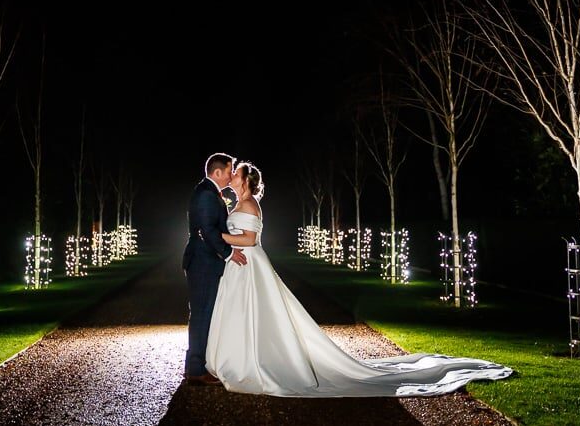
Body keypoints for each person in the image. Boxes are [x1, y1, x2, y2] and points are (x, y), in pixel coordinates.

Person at [205, 161, 514, 397]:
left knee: (256, 314)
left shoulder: (248, 205)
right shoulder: (237, 203)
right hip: (240, 265)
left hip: (250, 263)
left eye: (236, 173)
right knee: (243, 314)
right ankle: (242, 359)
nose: (231, 176)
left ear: (245, 180)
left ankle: (255, 364)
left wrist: (216, 236)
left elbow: (249, 239)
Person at [182, 153, 247, 386]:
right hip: (202, 263)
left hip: (205, 261)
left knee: (204, 313)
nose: (231, 175)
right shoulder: (206, 194)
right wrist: (229, 253)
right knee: (201, 314)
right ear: (217, 172)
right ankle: (196, 369)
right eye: (229, 171)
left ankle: (196, 364)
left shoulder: (209, 193)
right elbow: (208, 231)